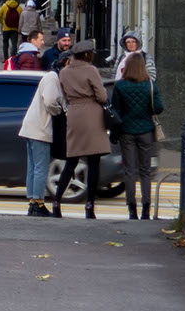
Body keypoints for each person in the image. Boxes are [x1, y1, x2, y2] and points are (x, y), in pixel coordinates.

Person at [50, 41, 111, 219]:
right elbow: (101, 95)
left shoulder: (65, 72)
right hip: (92, 115)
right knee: (93, 162)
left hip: (74, 115)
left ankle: (57, 201)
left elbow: (64, 93)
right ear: (87, 55)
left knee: (71, 161)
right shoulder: (91, 70)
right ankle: (90, 205)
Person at [110, 53, 161, 219]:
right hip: (146, 131)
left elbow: (115, 110)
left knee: (129, 171)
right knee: (145, 171)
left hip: (126, 131)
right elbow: (159, 108)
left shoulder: (120, 86)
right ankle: (146, 208)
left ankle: (132, 209)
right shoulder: (150, 85)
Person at [18, 62, 67, 217]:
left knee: (33, 168)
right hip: (41, 128)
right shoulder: (52, 77)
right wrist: (60, 111)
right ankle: (39, 203)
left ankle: (32, 202)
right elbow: (51, 101)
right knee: (41, 168)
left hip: (32, 127)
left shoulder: (50, 77)